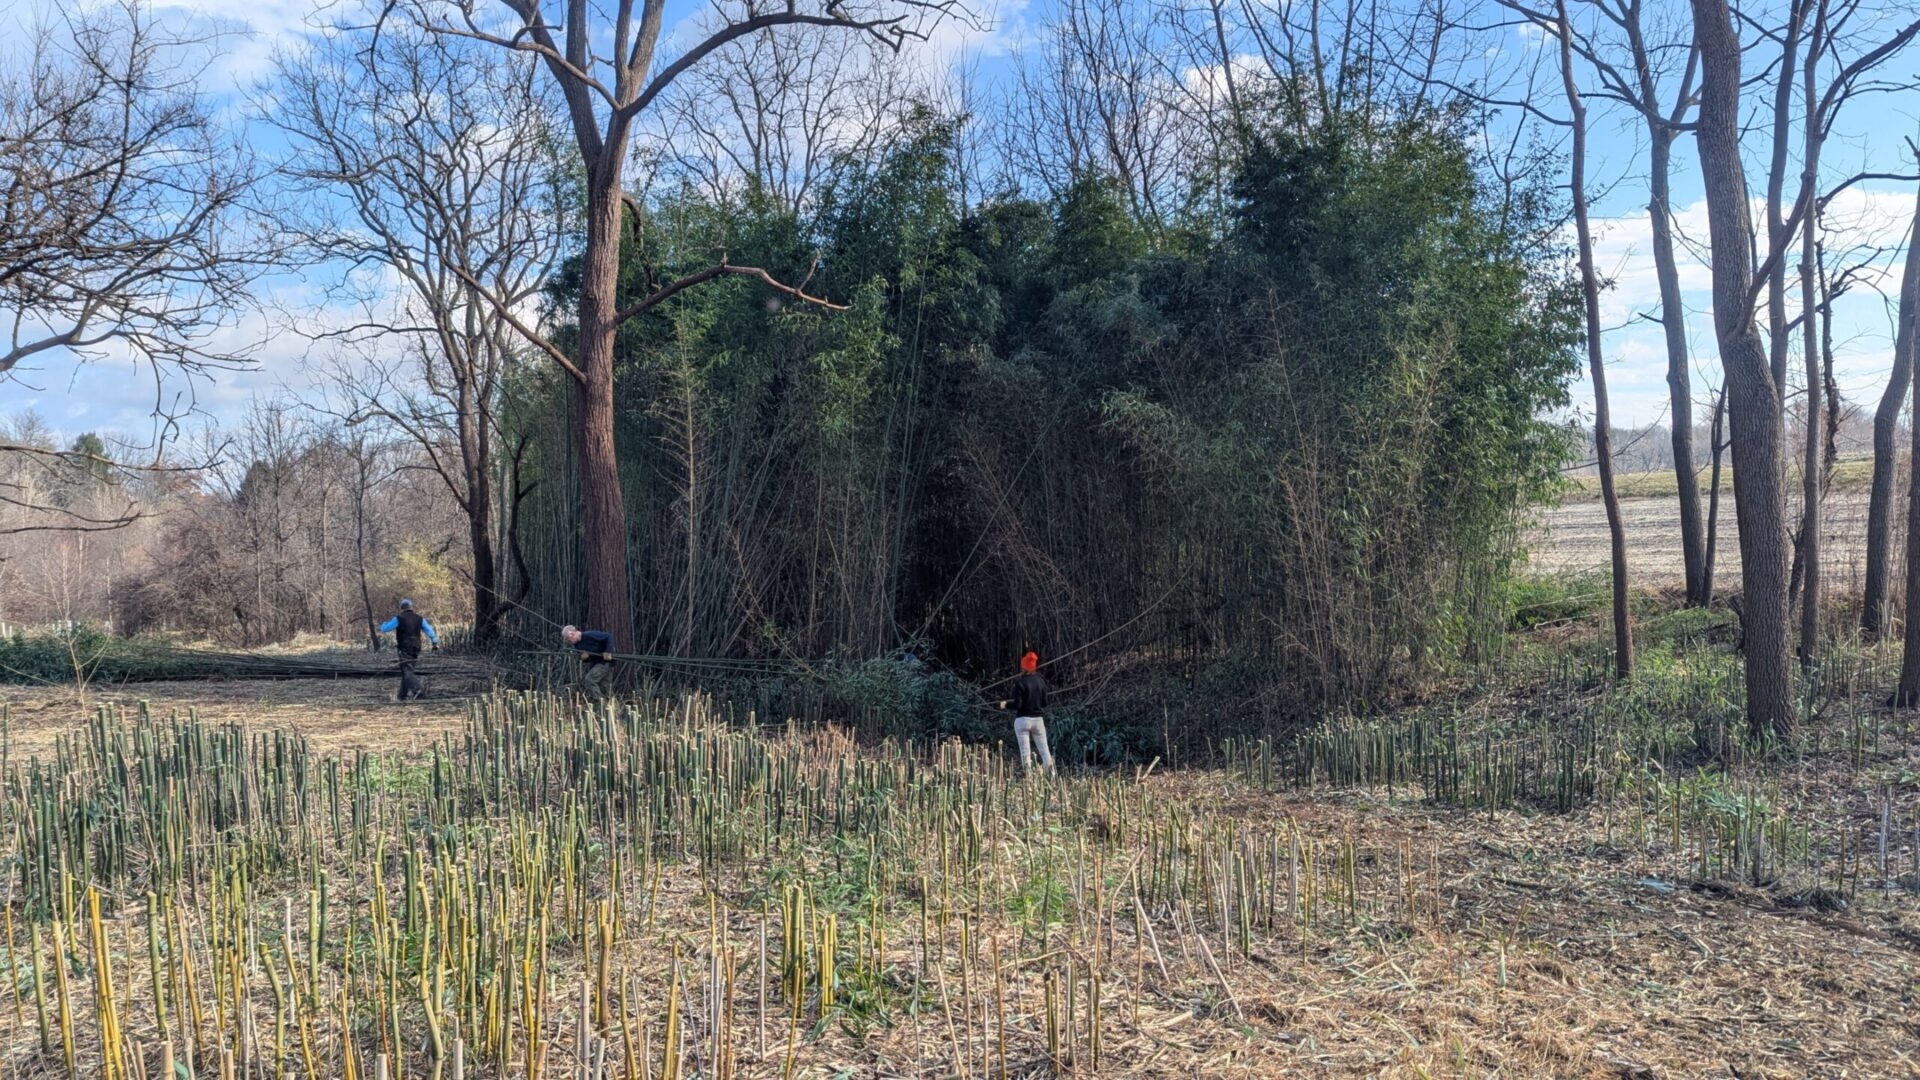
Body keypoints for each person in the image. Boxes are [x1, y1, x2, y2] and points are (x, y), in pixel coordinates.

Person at [997, 649, 1054, 775]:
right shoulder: (1041, 682)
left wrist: (1005, 704)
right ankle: (1052, 775)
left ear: (1023, 667)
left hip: (1022, 720)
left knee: (1025, 752)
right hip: (1038, 720)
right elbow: (1045, 703)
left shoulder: (1020, 683)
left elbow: (1018, 705)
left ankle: (1028, 778)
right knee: (1045, 750)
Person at [561, 625, 616, 699]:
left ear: (572, 634)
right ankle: (610, 707)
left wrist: (608, 651)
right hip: (596, 664)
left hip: (605, 662)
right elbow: (586, 660)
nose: (568, 641)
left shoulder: (589, 635)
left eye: (568, 639)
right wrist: (585, 658)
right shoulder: (577, 645)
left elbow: (608, 636)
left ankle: (600, 703)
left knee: (590, 680)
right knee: (604, 687)